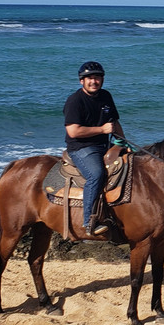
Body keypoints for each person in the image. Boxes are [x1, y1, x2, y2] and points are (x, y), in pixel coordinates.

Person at [63, 61, 123, 237]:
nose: (94, 81)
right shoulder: (75, 101)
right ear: (81, 81)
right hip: (82, 148)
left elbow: (114, 123)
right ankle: (89, 221)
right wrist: (102, 130)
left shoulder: (105, 96)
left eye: (97, 77)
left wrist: (122, 143)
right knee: (96, 174)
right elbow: (73, 131)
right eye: (89, 78)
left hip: (105, 145)